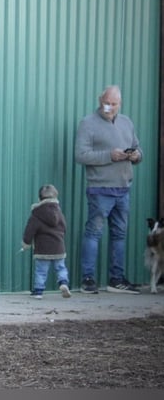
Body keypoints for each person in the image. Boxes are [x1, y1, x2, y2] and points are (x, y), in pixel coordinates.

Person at [74, 84, 143, 294]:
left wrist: (135, 156)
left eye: (114, 104)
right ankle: (88, 280)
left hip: (123, 188)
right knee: (93, 233)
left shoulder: (126, 122)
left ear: (119, 104)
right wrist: (108, 156)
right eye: (106, 103)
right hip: (100, 188)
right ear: (99, 100)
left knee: (119, 235)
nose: (109, 107)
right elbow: (80, 155)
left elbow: (139, 149)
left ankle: (116, 279)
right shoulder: (88, 123)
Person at [21, 184, 71, 299]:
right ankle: (63, 283)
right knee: (61, 267)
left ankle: (38, 292)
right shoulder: (59, 212)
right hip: (59, 246)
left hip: (43, 249)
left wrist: (26, 243)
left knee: (41, 271)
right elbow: (64, 228)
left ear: (39, 198)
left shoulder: (36, 213)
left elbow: (30, 230)